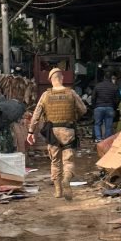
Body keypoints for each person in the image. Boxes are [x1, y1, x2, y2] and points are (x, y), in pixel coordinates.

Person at [27, 67, 87, 200]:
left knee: (55, 161)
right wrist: (73, 115)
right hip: (68, 131)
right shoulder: (71, 93)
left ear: (51, 80)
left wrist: (30, 131)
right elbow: (83, 109)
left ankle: (58, 190)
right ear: (62, 78)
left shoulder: (46, 95)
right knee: (68, 160)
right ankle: (66, 179)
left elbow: (36, 114)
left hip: (52, 132)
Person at [92, 71, 120, 142]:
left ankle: (98, 139)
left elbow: (93, 98)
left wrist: (94, 106)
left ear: (104, 77)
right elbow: (118, 99)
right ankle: (107, 140)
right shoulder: (114, 87)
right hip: (110, 108)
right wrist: (114, 107)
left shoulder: (98, 86)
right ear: (111, 78)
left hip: (99, 107)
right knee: (108, 126)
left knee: (97, 124)